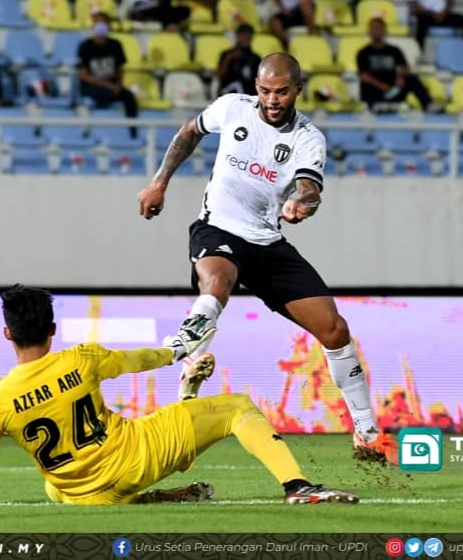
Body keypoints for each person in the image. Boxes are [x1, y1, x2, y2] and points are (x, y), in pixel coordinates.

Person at [137, 53, 397, 464]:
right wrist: (158, 183)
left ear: (297, 89)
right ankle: (186, 351)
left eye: (281, 92)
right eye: (264, 90)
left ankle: (366, 432)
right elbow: (189, 132)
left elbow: (311, 188)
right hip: (218, 229)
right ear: (255, 86)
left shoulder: (308, 138)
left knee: (334, 330)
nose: (272, 100)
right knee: (216, 282)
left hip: (267, 244)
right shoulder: (231, 108)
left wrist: (301, 203)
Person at [0, 285, 359, 506]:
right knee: (237, 409)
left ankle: (155, 493)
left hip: (85, 495)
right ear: (52, 329)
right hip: (138, 457)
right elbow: (140, 360)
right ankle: (298, 486)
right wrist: (178, 349)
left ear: (6, 334)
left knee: (54, 488)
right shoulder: (81, 358)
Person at [357, 18, 441, 113]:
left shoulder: (394, 50)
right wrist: (382, 86)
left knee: (412, 79)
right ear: (369, 32)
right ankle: (374, 106)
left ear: (384, 30)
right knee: (368, 85)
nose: (376, 31)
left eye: (379, 28)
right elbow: (364, 76)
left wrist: (400, 76)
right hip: (375, 90)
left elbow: (405, 68)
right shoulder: (363, 53)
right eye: (373, 28)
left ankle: (428, 105)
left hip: (393, 89)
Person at [77, 13, 138, 130]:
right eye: (97, 22)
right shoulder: (85, 46)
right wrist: (110, 86)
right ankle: (101, 131)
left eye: (104, 22)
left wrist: (118, 86)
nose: (101, 25)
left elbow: (120, 69)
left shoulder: (115, 45)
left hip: (113, 86)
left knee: (129, 97)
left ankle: (132, 131)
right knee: (103, 95)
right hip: (92, 87)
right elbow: (84, 76)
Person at [216, 23, 262, 97]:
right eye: (243, 35)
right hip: (228, 91)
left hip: (249, 93)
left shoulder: (255, 58)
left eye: (249, 35)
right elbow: (219, 77)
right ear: (237, 36)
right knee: (238, 85)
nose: (246, 38)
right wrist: (228, 59)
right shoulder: (227, 54)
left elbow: (258, 80)